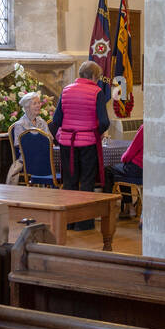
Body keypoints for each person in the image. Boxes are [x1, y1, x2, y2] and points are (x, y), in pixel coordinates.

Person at [50, 60, 110, 228]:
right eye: (97, 77)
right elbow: (104, 122)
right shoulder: (97, 92)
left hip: (67, 143)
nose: (98, 80)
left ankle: (68, 222)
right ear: (92, 76)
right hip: (87, 143)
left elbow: (56, 120)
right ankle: (84, 222)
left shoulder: (66, 90)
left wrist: (61, 136)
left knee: (69, 181)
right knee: (86, 181)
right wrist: (94, 133)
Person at [5, 91, 49, 184]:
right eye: (35, 103)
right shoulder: (19, 125)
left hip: (44, 157)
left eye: (39, 103)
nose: (38, 105)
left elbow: (50, 141)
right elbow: (20, 146)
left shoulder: (43, 123)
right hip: (27, 159)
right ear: (26, 107)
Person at [104, 125, 143, 215]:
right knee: (121, 170)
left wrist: (123, 159)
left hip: (137, 168)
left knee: (109, 170)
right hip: (147, 171)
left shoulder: (144, 128)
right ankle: (129, 207)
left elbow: (132, 149)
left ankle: (107, 209)